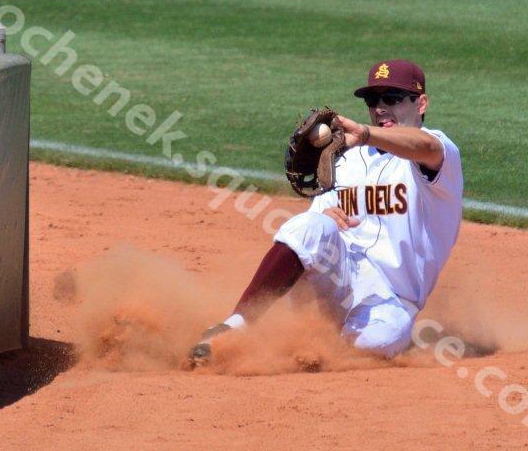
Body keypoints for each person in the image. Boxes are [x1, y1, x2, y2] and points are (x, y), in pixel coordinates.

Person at [190, 59, 463, 364]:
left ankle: (311, 347)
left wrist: (366, 133)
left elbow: (425, 147)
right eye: (374, 100)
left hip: (392, 301)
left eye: (393, 98)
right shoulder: (345, 158)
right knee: (306, 226)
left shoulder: (439, 153)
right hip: (339, 276)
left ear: (421, 103)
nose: (381, 107)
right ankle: (235, 327)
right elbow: (310, 234)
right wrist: (324, 217)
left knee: (378, 340)